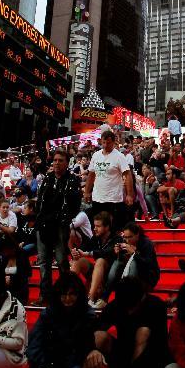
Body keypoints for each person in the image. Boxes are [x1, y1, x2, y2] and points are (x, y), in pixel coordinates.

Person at [34, 148, 81, 304]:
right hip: (43, 224)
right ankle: (44, 295)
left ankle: (65, 293)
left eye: (60, 160)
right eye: (54, 160)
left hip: (60, 225)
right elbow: (40, 201)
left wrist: (65, 219)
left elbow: (74, 204)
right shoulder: (47, 178)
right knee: (43, 262)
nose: (57, 163)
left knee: (61, 261)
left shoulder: (72, 180)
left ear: (67, 163)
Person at [84, 129, 134, 228]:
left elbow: (128, 175)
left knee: (112, 227)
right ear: (101, 141)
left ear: (114, 142)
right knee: (98, 227)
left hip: (113, 199)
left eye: (109, 143)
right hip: (97, 198)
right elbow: (91, 174)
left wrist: (129, 195)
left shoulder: (119, 156)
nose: (106, 145)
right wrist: (87, 191)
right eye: (104, 142)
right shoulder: (96, 155)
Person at [71, 210, 117, 310]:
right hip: (95, 273)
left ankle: (90, 298)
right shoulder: (95, 238)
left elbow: (107, 253)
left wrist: (88, 253)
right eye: (94, 226)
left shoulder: (116, 238)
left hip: (109, 276)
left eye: (98, 226)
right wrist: (76, 253)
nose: (94, 229)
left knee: (100, 260)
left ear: (107, 227)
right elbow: (83, 249)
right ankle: (69, 293)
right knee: (78, 261)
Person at [105, 221, 160, 296]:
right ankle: (104, 297)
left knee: (133, 262)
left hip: (147, 277)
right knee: (117, 262)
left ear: (137, 235)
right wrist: (117, 253)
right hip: (128, 274)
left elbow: (148, 264)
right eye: (125, 237)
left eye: (130, 237)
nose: (127, 240)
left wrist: (134, 254)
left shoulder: (147, 244)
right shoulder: (124, 242)